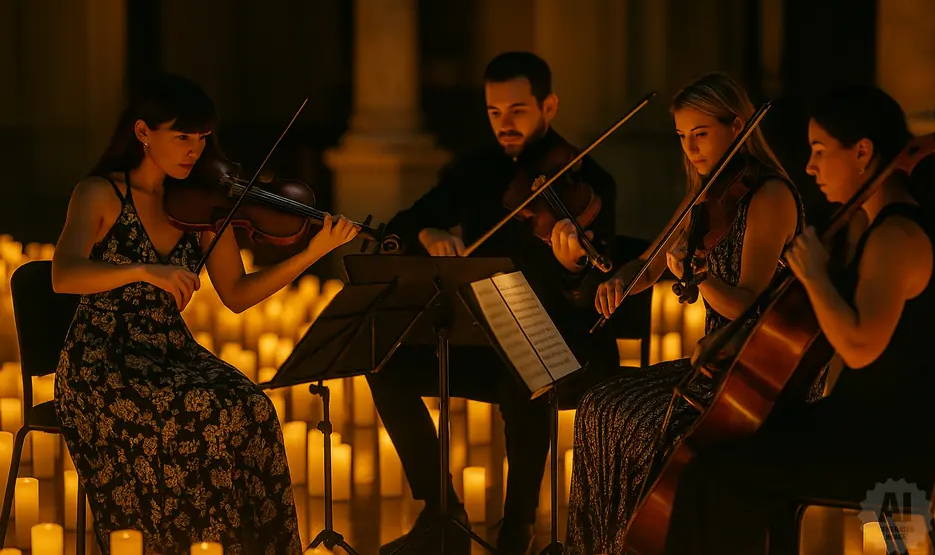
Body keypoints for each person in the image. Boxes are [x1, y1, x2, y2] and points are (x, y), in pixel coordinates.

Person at [51, 74, 361, 555]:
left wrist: (312, 253)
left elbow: (237, 293)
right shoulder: (100, 193)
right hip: (103, 358)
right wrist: (143, 270)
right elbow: (63, 274)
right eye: (182, 137)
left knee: (252, 407)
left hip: (171, 351)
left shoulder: (199, 205)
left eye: (201, 139)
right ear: (142, 132)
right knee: (206, 411)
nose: (194, 151)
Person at [660, 84, 935, 554]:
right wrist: (738, 348)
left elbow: (860, 348)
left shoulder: (896, 237)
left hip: (890, 443)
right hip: (866, 425)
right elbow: (820, 333)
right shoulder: (879, 228)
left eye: (819, 150)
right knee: (718, 452)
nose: (810, 166)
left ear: (862, 152)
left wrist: (815, 275)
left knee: (715, 471)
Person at [370, 51, 620, 555]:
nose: (504, 123)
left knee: (522, 370)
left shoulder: (589, 179)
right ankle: (442, 511)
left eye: (518, 110)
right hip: (486, 341)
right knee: (385, 365)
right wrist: (430, 232)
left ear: (548, 106)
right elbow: (402, 224)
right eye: (494, 111)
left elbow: (595, 292)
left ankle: (517, 529)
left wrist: (572, 266)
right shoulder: (475, 169)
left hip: (564, 349)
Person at [565, 72, 805, 555]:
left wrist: (702, 280)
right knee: (596, 404)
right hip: (713, 364)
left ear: (736, 126)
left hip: (762, 374)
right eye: (681, 136)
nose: (691, 148)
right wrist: (621, 281)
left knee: (638, 423)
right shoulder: (708, 193)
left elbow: (747, 306)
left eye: (701, 134)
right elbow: (649, 264)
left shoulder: (770, 196)